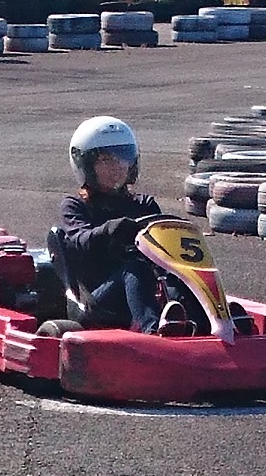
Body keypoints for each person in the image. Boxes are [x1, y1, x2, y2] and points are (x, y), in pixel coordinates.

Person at [55, 115, 190, 335]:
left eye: (122, 159)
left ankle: (212, 323)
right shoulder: (75, 206)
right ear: (86, 164)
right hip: (99, 299)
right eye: (106, 160)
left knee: (178, 273)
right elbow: (79, 240)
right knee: (135, 268)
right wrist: (110, 230)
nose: (117, 167)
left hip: (145, 291)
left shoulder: (143, 204)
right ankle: (153, 331)